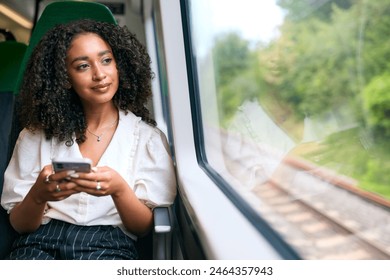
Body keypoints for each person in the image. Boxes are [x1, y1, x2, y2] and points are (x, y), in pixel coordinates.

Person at [1, 19, 177, 260]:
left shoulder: (147, 139)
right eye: (83, 66)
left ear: (119, 65)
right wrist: (39, 195)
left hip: (109, 245)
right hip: (38, 243)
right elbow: (20, 226)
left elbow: (143, 228)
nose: (99, 74)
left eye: (106, 60)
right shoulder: (35, 135)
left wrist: (118, 189)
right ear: (64, 78)